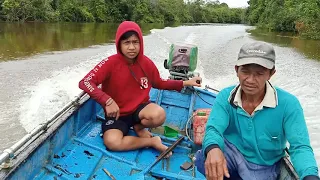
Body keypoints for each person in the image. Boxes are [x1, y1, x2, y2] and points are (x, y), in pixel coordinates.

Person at [194, 41, 319, 180]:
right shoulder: (225, 96)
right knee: (203, 160)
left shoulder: (289, 105)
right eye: (245, 72)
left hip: (264, 166)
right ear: (236, 70)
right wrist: (213, 148)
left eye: (259, 73)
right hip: (232, 152)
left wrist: (310, 176)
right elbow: (214, 129)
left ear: (271, 74)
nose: (250, 80)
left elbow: (300, 147)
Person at [78, 21, 201, 156]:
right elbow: (85, 82)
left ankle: (139, 126)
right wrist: (107, 101)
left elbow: (159, 83)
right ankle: (152, 142)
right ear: (119, 44)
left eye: (135, 42)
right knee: (112, 142)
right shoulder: (110, 63)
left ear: (140, 43)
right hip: (117, 114)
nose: (131, 47)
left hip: (139, 109)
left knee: (159, 115)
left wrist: (186, 83)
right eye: (126, 43)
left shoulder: (146, 63)